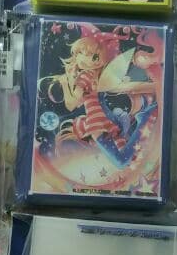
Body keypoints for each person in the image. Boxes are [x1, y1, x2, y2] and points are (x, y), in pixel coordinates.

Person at [45, 23, 158, 168]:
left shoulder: (92, 76)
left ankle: (144, 120)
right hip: (103, 122)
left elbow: (77, 98)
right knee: (124, 160)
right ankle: (144, 119)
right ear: (77, 57)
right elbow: (78, 96)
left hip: (100, 122)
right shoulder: (89, 76)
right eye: (88, 55)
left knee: (122, 161)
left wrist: (74, 86)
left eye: (96, 56)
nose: (94, 60)